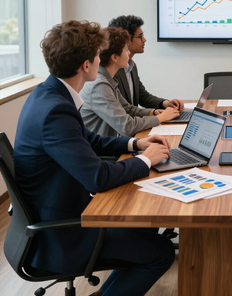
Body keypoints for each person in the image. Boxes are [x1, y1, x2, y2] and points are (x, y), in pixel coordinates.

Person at [14, 20, 175, 296]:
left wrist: (137, 144)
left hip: (61, 214)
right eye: (98, 56)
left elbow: (91, 140)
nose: (101, 61)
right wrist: (146, 160)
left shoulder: (49, 94)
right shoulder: (55, 111)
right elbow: (97, 177)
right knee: (160, 252)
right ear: (85, 66)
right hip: (60, 236)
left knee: (146, 231)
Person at [80, 27, 179, 136]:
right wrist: (160, 118)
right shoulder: (99, 85)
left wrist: (153, 112)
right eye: (126, 49)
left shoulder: (109, 78)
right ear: (115, 57)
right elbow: (127, 126)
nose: (129, 52)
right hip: (101, 151)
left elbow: (127, 108)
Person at [108, 15, 183, 111]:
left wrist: (165, 103)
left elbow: (142, 96)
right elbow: (123, 111)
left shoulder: (131, 66)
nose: (144, 40)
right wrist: (156, 114)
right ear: (126, 40)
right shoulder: (112, 70)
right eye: (140, 36)